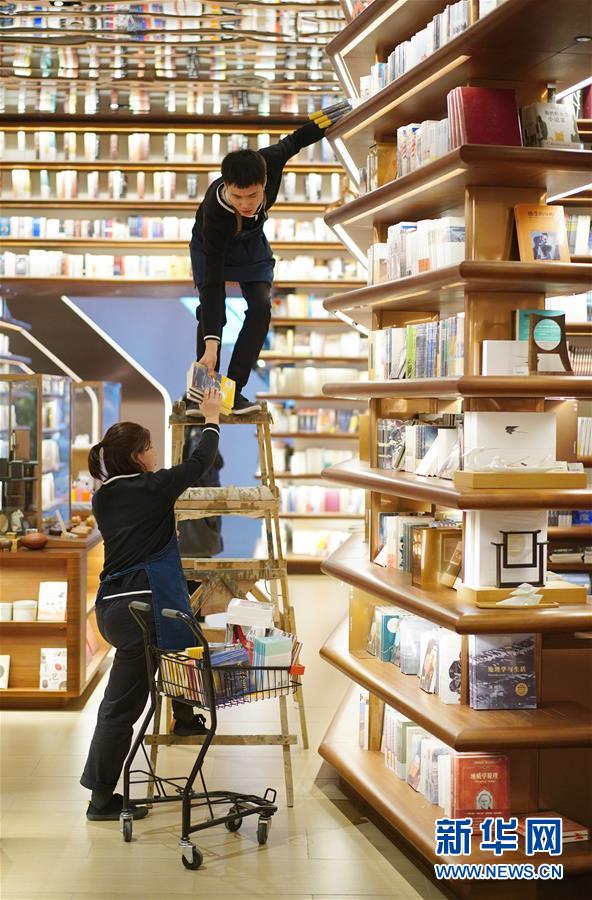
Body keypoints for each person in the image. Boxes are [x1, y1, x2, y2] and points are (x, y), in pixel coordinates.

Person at [81, 388, 222, 822]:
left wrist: (162, 531)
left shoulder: (103, 495)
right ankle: (100, 799)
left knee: (175, 645)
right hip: (143, 609)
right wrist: (211, 419)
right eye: (150, 447)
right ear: (138, 456)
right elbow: (199, 463)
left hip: (111, 608)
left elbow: (136, 532)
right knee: (121, 706)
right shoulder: (153, 487)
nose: (155, 453)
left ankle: (184, 715)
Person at [189, 112, 345, 416]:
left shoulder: (270, 161)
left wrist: (332, 118)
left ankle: (233, 392)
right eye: (237, 197)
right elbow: (212, 284)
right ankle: (204, 393)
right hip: (212, 247)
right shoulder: (215, 212)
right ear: (227, 186)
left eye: (253, 195)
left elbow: (297, 140)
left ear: (264, 181)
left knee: (261, 307)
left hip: (251, 245)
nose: (245, 204)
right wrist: (212, 345)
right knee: (211, 313)